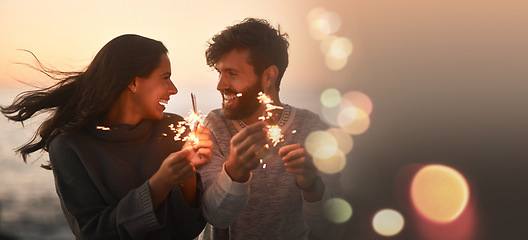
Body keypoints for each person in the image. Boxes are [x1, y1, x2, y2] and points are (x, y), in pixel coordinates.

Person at [1, 34, 212, 239]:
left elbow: (188, 231)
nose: (173, 89)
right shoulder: (69, 146)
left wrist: (188, 179)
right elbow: (92, 233)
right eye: (165, 78)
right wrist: (160, 184)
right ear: (133, 82)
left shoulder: (175, 129)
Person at [198, 18, 344, 239]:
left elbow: (330, 228)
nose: (220, 85)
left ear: (269, 76)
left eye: (232, 74)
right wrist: (234, 171)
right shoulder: (214, 127)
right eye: (219, 73)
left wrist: (312, 185)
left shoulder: (313, 129)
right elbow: (216, 216)